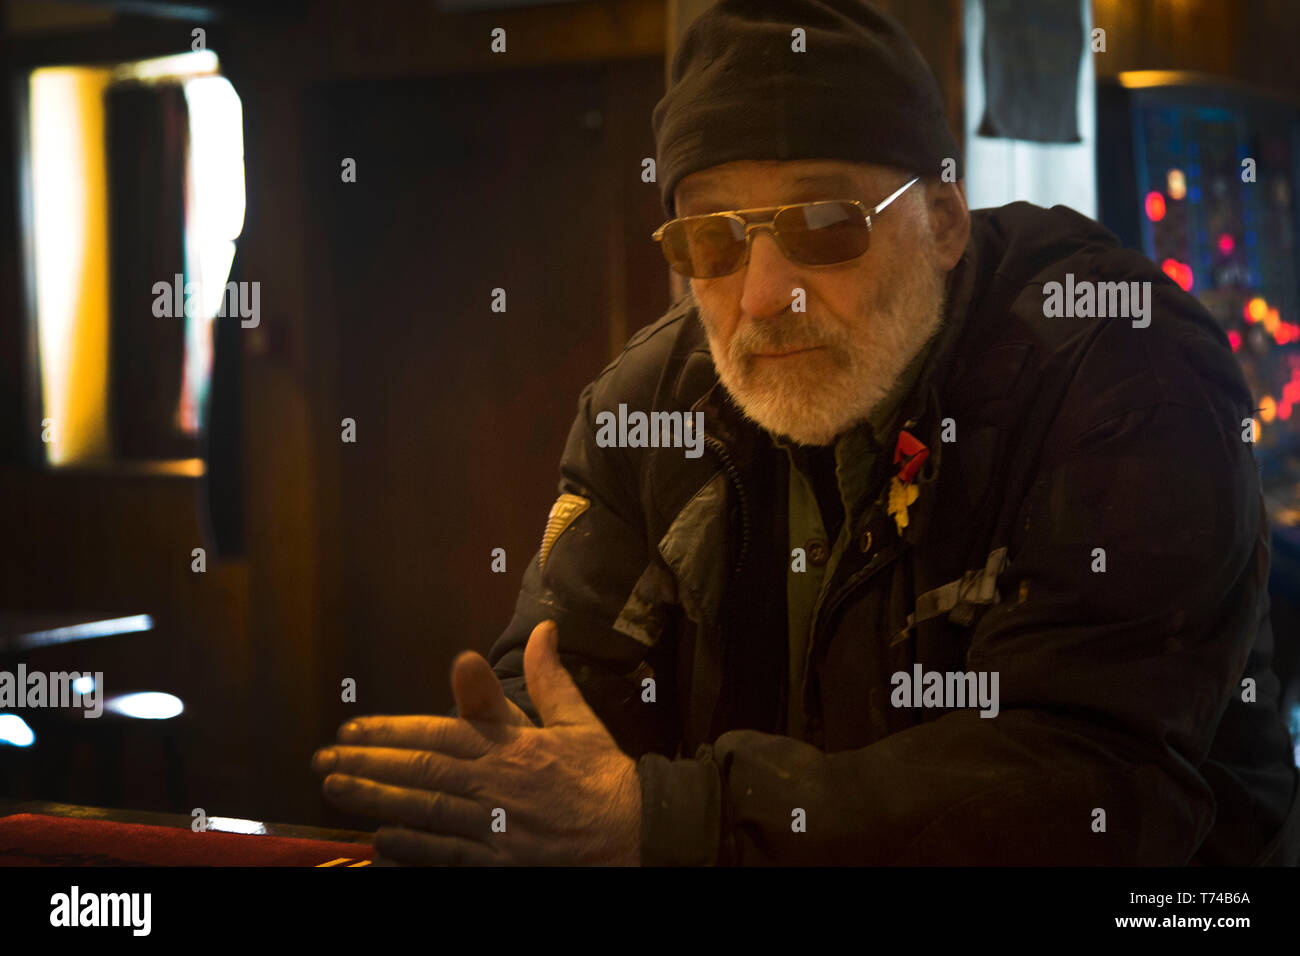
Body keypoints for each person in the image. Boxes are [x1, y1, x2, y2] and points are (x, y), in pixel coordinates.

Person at [311, 0, 1300, 865]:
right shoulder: (645, 407)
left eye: (827, 224)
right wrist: (512, 796)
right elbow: (563, 730)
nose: (764, 294)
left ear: (945, 221)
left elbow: (1098, 788)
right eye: (711, 238)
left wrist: (668, 823)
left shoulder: (1119, 368)